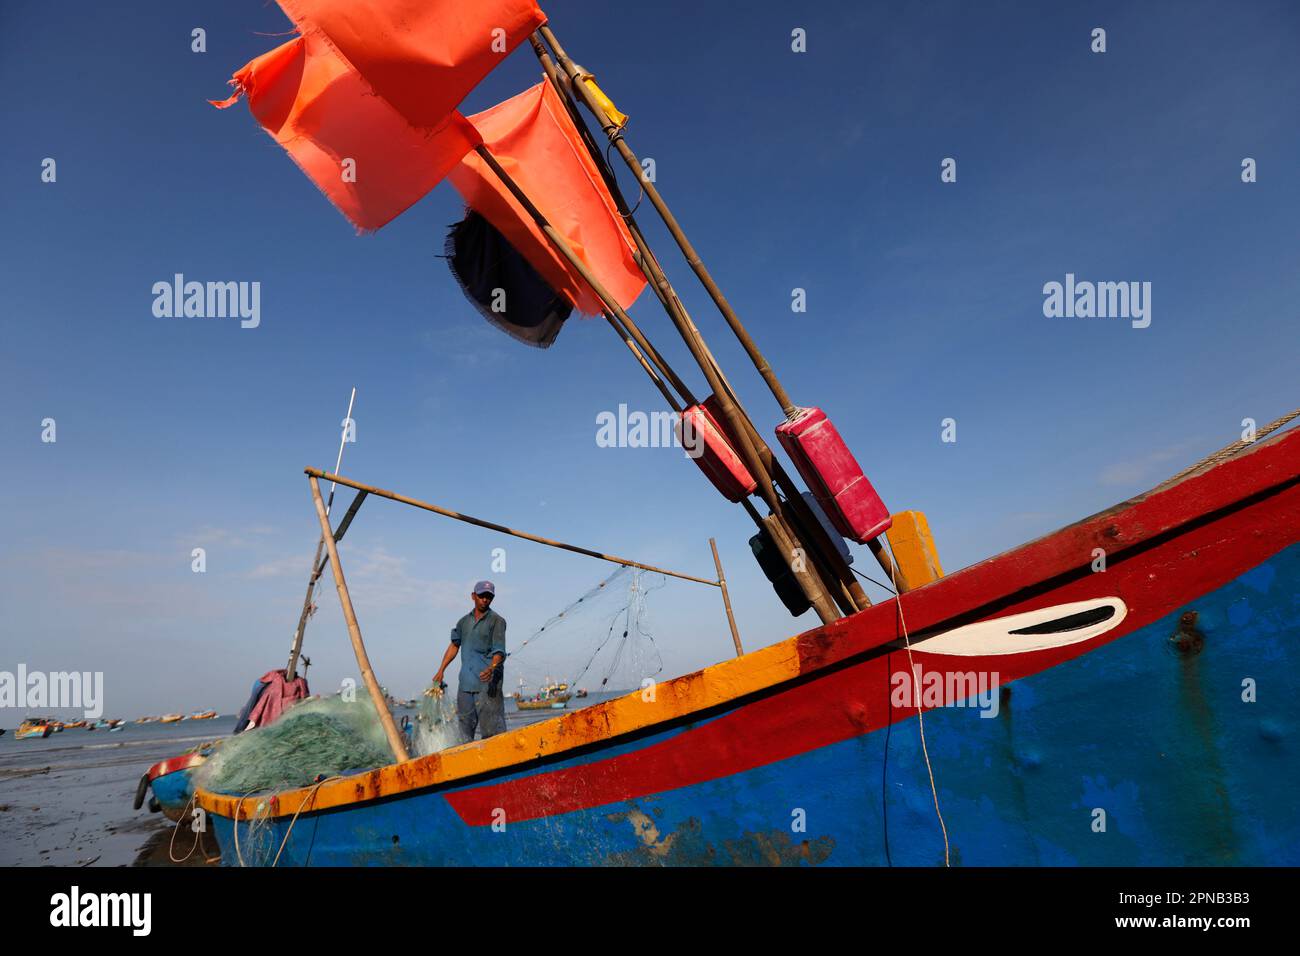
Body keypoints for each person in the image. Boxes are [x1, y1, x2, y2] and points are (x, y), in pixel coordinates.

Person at [433, 580, 507, 743]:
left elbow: (499, 652)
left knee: (492, 734)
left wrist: (492, 667)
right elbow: (454, 645)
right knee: (464, 734)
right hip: (465, 685)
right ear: (473, 596)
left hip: (488, 687)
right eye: (481, 596)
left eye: (489, 597)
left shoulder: (497, 621)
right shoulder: (463, 622)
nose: (485, 600)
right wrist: (441, 670)